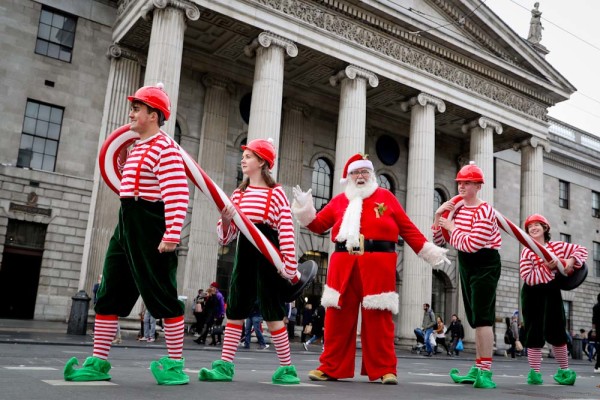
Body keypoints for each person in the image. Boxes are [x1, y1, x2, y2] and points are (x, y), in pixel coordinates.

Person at [63, 83, 190, 386]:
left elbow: (177, 193)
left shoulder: (166, 148)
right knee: (111, 287)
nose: (131, 113)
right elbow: (122, 183)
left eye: (137, 108)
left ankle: (174, 365)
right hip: (127, 221)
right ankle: (98, 361)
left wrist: (172, 233)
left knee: (163, 292)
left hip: (151, 223)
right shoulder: (136, 147)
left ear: (154, 115)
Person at [292, 153, 449, 385]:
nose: (361, 176)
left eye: (365, 172)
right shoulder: (339, 201)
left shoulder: (386, 197)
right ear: (349, 177)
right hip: (343, 264)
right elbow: (318, 225)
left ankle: (385, 369)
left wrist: (429, 251)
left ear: (372, 175)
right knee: (337, 319)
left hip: (378, 264)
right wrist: (304, 208)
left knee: (378, 319)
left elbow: (407, 228)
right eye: (356, 172)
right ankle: (331, 367)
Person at [198, 138, 300, 385]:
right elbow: (227, 237)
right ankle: (224, 365)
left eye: (249, 156)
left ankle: (287, 368)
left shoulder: (276, 194)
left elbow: (286, 230)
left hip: (268, 257)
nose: (243, 159)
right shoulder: (238, 193)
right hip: (244, 253)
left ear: (262, 162)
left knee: (273, 310)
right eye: (244, 156)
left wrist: (289, 265)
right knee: (235, 307)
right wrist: (224, 219)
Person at [434, 161, 501, 389]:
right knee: (473, 316)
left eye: (467, 182)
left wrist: (452, 228)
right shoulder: (458, 208)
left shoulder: (485, 211)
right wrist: (438, 218)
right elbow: (439, 240)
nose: (462, 186)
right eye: (460, 182)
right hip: (466, 261)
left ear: (478, 186)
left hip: (485, 261)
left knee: (483, 318)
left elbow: (473, 244)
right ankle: (478, 366)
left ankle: (486, 371)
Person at [519, 214, 588, 385]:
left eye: (537, 225)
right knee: (533, 331)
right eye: (530, 226)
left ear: (545, 228)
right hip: (532, 293)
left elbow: (582, 250)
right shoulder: (527, 250)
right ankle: (534, 373)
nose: (533, 228)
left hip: (552, 290)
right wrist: (546, 269)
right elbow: (527, 277)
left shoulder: (557, 246)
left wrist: (570, 261)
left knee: (558, 329)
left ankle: (564, 370)